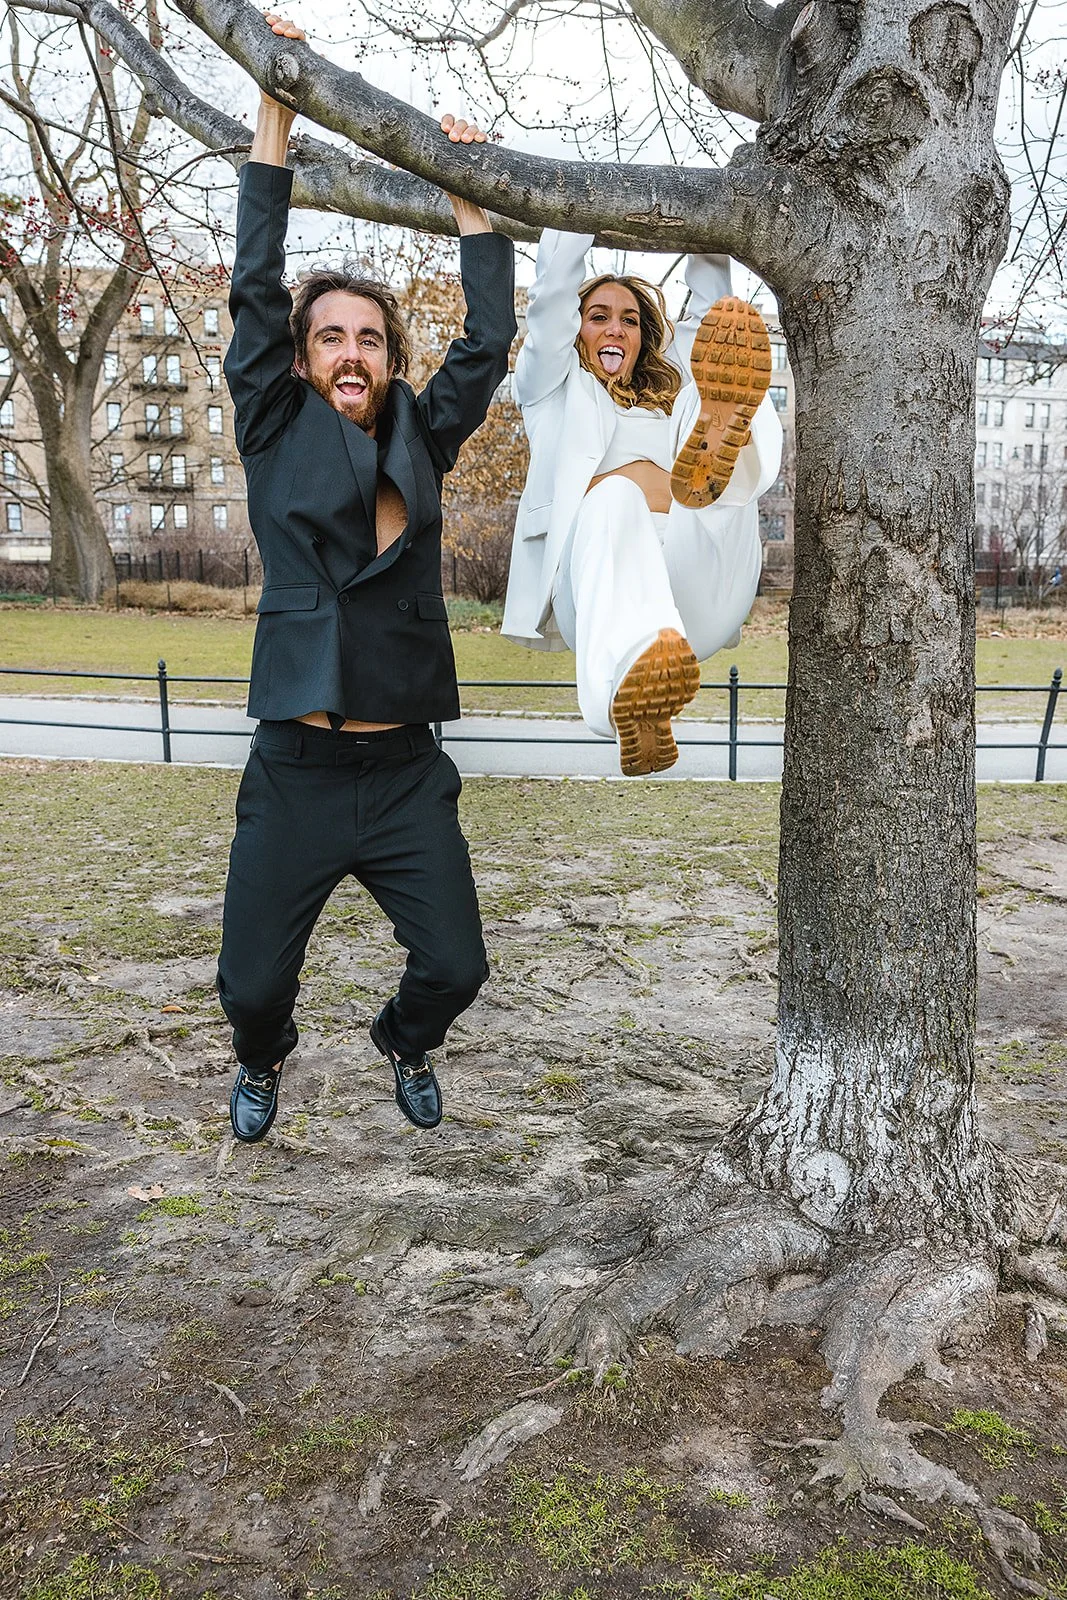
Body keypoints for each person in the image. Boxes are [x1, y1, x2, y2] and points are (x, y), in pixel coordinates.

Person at [218, 13, 516, 1144]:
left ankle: (404, 1039)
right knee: (249, 985)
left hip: (401, 771)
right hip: (294, 767)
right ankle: (262, 1059)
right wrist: (275, 110)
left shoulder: (423, 438)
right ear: (302, 360)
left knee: (456, 965)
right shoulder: (269, 422)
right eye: (332, 337)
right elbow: (255, 281)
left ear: (391, 359)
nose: (352, 352)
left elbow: (486, 341)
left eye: (372, 339)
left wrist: (466, 192)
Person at [502, 231, 782, 775]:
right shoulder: (551, 392)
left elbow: (712, 322)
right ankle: (635, 694)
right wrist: (576, 207)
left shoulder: (670, 401)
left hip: (699, 577)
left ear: (643, 336)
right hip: (604, 593)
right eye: (599, 316)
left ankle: (725, 460)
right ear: (575, 331)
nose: (616, 328)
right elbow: (551, 298)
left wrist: (707, 224)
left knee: (705, 408)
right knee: (614, 498)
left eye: (629, 320)